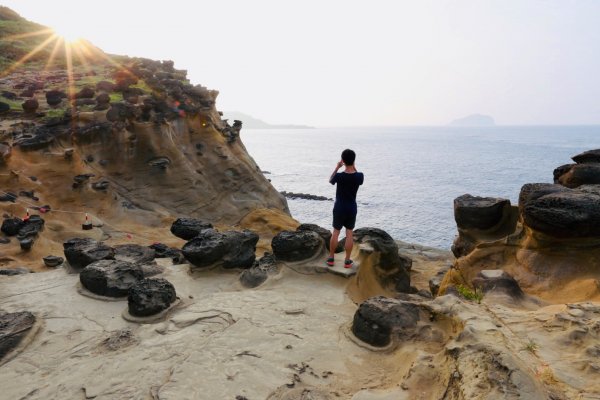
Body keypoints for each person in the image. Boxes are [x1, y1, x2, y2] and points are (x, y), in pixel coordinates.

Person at [327, 149, 364, 268]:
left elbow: (330, 180)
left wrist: (337, 167)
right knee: (349, 234)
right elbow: (357, 177)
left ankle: (331, 258)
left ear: (342, 160)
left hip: (339, 207)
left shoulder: (339, 176)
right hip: (351, 207)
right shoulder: (359, 176)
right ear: (354, 161)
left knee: (336, 232)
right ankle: (347, 261)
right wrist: (353, 166)